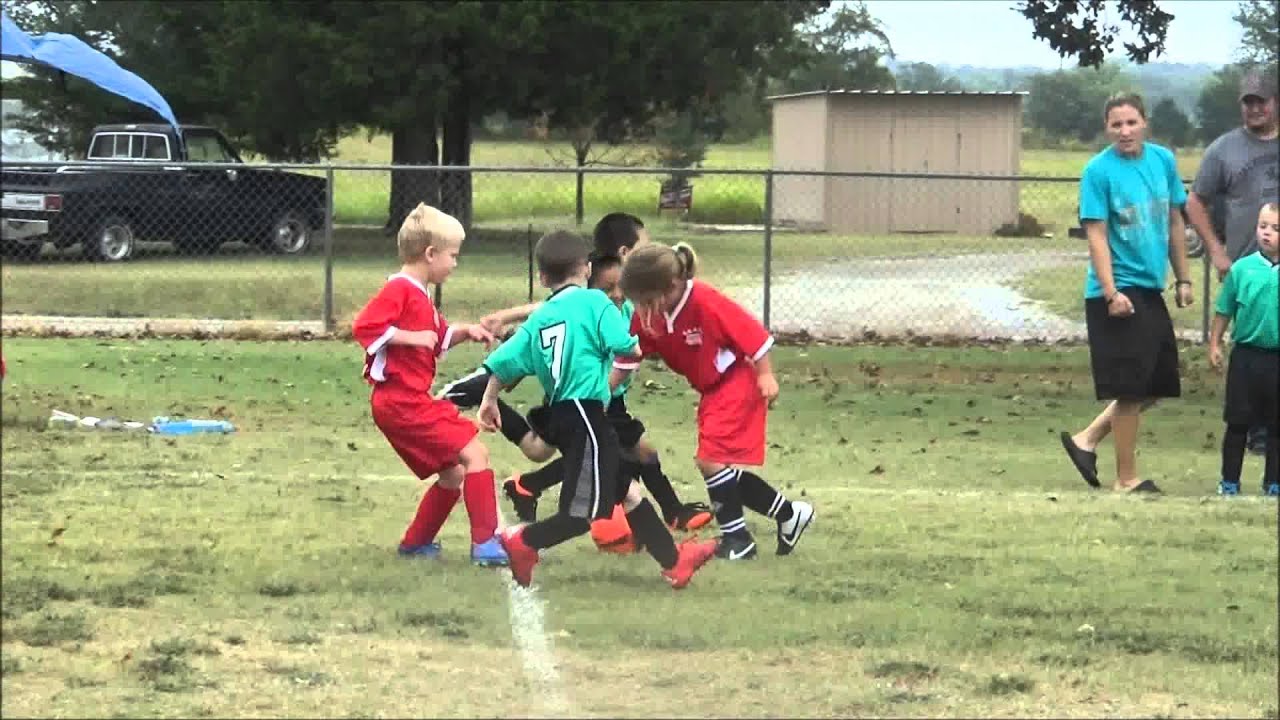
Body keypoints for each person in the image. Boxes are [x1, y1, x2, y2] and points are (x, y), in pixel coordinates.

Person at [437, 213, 710, 533]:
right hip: (592, 392)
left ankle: (528, 485)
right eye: (643, 245)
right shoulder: (599, 288)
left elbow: (557, 305)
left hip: (596, 391)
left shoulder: (620, 286)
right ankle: (669, 517)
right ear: (624, 252)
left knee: (543, 449)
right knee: (623, 455)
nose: (616, 296)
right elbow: (557, 308)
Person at [478, 229, 718, 589]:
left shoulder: (541, 317)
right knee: (584, 512)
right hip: (585, 414)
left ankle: (673, 561)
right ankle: (524, 541)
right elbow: (627, 346)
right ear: (588, 269)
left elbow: (504, 361)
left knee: (624, 484)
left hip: (560, 414)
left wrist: (489, 399)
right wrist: (637, 344)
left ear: (543, 278)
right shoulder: (595, 303)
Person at [614, 242, 815, 560]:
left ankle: (738, 540)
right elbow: (628, 358)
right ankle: (789, 515)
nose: (642, 312)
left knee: (710, 461)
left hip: (738, 380)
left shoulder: (705, 301)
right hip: (712, 390)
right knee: (717, 466)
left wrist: (766, 375)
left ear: (671, 287)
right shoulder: (649, 314)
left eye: (647, 302)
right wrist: (600, 392)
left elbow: (754, 336)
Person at [351, 203, 507, 566]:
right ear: (430, 254)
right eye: (453, 255)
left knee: (453, 472)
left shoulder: (418, 293)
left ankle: (416, 543)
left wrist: (466, 332)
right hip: (401, 401)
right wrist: (411, 337)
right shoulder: (400, 290)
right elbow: (365, 327)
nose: (455, 263)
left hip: (404, 402)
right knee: (476, 456)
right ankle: (486, 544)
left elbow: (437, 337)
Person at [1058, 93, 1195, 494]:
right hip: (1118, 289)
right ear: (1107, 128)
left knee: (1157, 384)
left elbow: (1174, 222)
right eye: (1116, 124)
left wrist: (1184, 279)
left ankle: (1086, 440)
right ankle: (1126, 479)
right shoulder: (1097, 172)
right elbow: (1096, 236)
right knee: (1131, 388)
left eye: (1131, 122)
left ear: (1145, 122)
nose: (1125, 131)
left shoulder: (1163, 161)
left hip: (1151, 287)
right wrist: (1110, 292)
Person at [1186, 68, 1279, 458]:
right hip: (1248, 268)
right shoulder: (1224, 150)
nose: (1255, 108)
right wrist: (1217, 251)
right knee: (1255, 349)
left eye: (1262, 101)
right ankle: (1258, 429)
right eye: (1248, 102)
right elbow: (1195, 202)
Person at [1208, 202, 1279, 497]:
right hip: (1246, 357)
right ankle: (1229, 482)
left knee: (1276, 425)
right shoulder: (1242, 269)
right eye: (1263, 226)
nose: (1267, 233)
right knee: (1237, 422)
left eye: (1275, 229)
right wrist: (1215, 343)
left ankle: (1273, 483)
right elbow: (1224, 309)